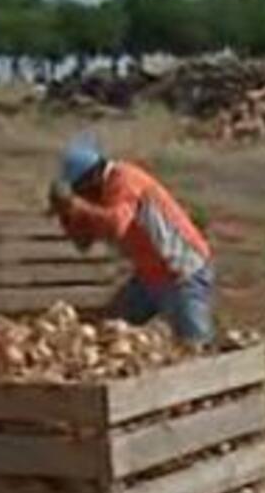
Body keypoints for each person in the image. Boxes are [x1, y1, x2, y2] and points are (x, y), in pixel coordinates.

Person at [46, 133, 217, 346]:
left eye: (82, 190)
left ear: (93, 177)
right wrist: (68, 217)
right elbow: (84, 243)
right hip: (149, 276)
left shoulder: (124, 180)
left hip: (182, 272)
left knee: (195, 345)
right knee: (110, 330)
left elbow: (117, 224)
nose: (84, 197)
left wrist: (77, 207)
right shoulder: (101, 196)